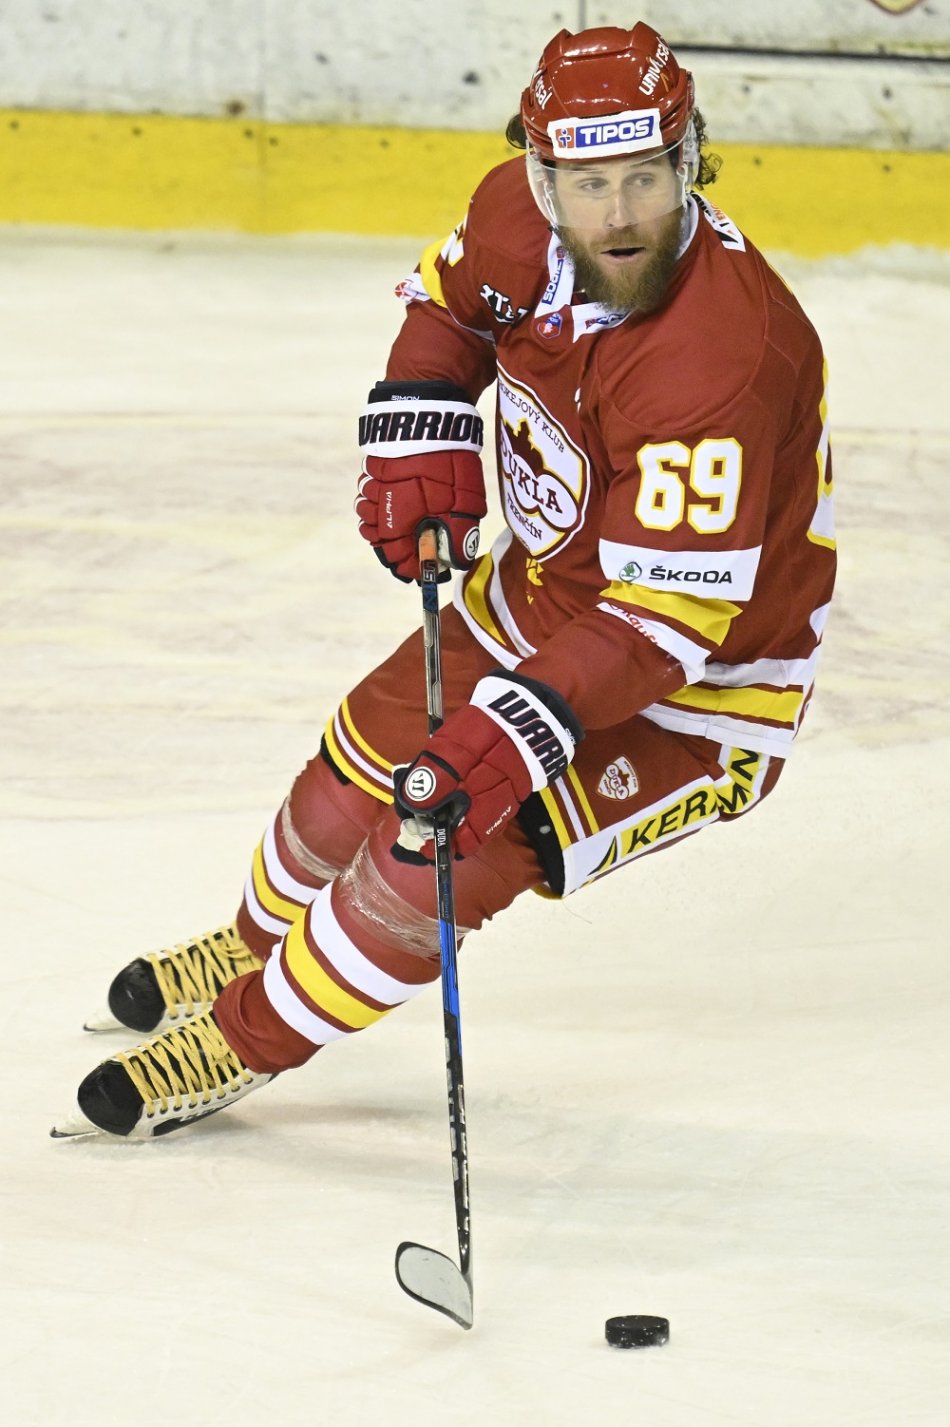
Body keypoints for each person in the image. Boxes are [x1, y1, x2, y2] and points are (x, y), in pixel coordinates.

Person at [55, 21, 836, 1139]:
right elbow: (450, 309)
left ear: (689, 161)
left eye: (645, 178)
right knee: (353, 767)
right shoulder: (514, 218)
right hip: (546, 592)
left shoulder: (719, 353)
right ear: (542, 178)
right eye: (588, 185)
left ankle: (242, 1036)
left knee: (439, 850)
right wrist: (422, 416)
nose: (619, 216)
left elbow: (663, 623)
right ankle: (252, 944)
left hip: (702, 693)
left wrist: (513, 731)